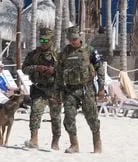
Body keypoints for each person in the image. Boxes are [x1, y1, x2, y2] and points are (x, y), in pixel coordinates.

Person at [56, 26, 105, 154]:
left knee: (92, 117)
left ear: (80, 37)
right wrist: (57, 93)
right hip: (70, 90)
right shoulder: (64, 53)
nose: (73, 42)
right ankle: (74, 145)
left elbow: (100, 69)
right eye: (71, 39)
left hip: (86, 88)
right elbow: (59, 74)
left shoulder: (90, 51)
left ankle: (97, 145)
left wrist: (101, 88)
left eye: (75, 39)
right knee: (69, 118)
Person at [22, 27, 62, 150]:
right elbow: (24, 69)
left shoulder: (59, 55)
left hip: (54, 89)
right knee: (35, 112)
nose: (43, 43)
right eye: (41, 41)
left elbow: (66, 71)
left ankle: (55, 141)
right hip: (39, 88)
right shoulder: (33, 55)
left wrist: (54, 70)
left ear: (52, 40)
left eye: (46, 41)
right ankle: (34, 139)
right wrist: (36, 68)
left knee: (55, 116)